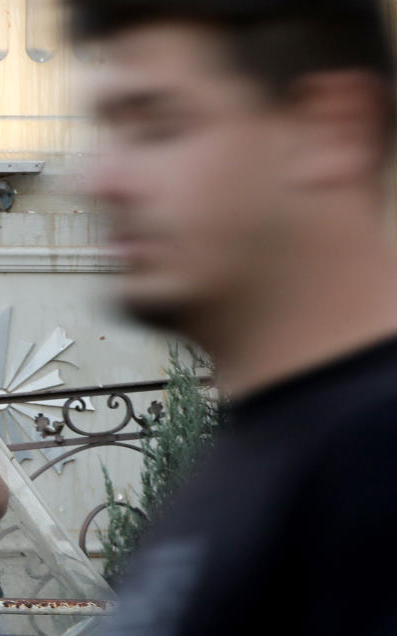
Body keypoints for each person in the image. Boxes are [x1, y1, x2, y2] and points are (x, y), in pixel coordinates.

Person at [70, 0, 397, 634]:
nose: (101, 180)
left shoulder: (376, 467)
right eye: (108, 129)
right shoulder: (256, 462)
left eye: (158, 125)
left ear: (333, 129)